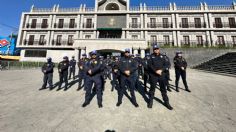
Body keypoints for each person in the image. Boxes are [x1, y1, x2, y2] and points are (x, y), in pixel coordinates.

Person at [147, 44, 173, 110]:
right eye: (155, 49)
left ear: (159, 49)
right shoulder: (150, 56)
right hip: (153, 75)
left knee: (163, 89)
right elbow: (150, 65)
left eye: (157, 49)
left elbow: (167, 64)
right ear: (153, 50)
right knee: (152, 89)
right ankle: (150, 101)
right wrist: (155, 71)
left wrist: (161, 70)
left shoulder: (163, 56)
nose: (156, 50)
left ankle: (166, 102)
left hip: (161, 75)